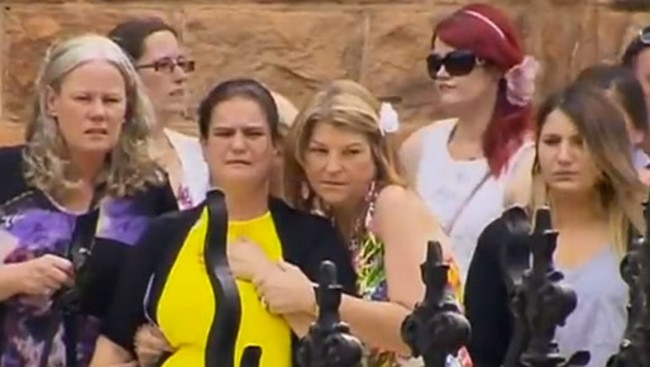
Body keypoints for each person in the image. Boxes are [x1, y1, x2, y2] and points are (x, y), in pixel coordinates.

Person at [89, 78, 356, 367]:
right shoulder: (164, 234)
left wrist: (269, 279)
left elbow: (341, 347)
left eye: (253, 134)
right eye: (224, 133)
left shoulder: (311, 237)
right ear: (203, 145)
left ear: (276, 146)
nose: (238, 145)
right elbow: (114, 346)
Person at [257, 79, 470, 367]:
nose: (332, 167)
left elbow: (414, 329)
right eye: (320, 151)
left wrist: (312, 298)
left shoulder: (391, 204)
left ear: (376, 154)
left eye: (351, 152)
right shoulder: (321, 217)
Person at [0, 34, 176, 366]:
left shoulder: (149, 191)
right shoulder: (5, 174)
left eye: (111, 100)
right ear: (52, 101)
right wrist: (12, 279)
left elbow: (172, 287)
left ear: (128, 109)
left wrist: (151, 339)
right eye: (83, 98)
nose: (98, 113)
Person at [464, 84, 646, 367]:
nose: (563, 157)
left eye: (579, 142)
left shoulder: (639, 237)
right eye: (551, 141)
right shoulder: (505, 240)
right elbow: (485, 347)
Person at [399, 3, 538, 281]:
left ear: (496, 68)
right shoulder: (418, 147)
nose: (442, 73)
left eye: (458, 62)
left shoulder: (526, 157)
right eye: (435, 63)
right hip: (421, 310)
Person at [108, 17, 209, 210]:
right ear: (128, 75)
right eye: (163, 65)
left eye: (182, 63)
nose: (180, 76)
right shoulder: (106, 155)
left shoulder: (198, 154)